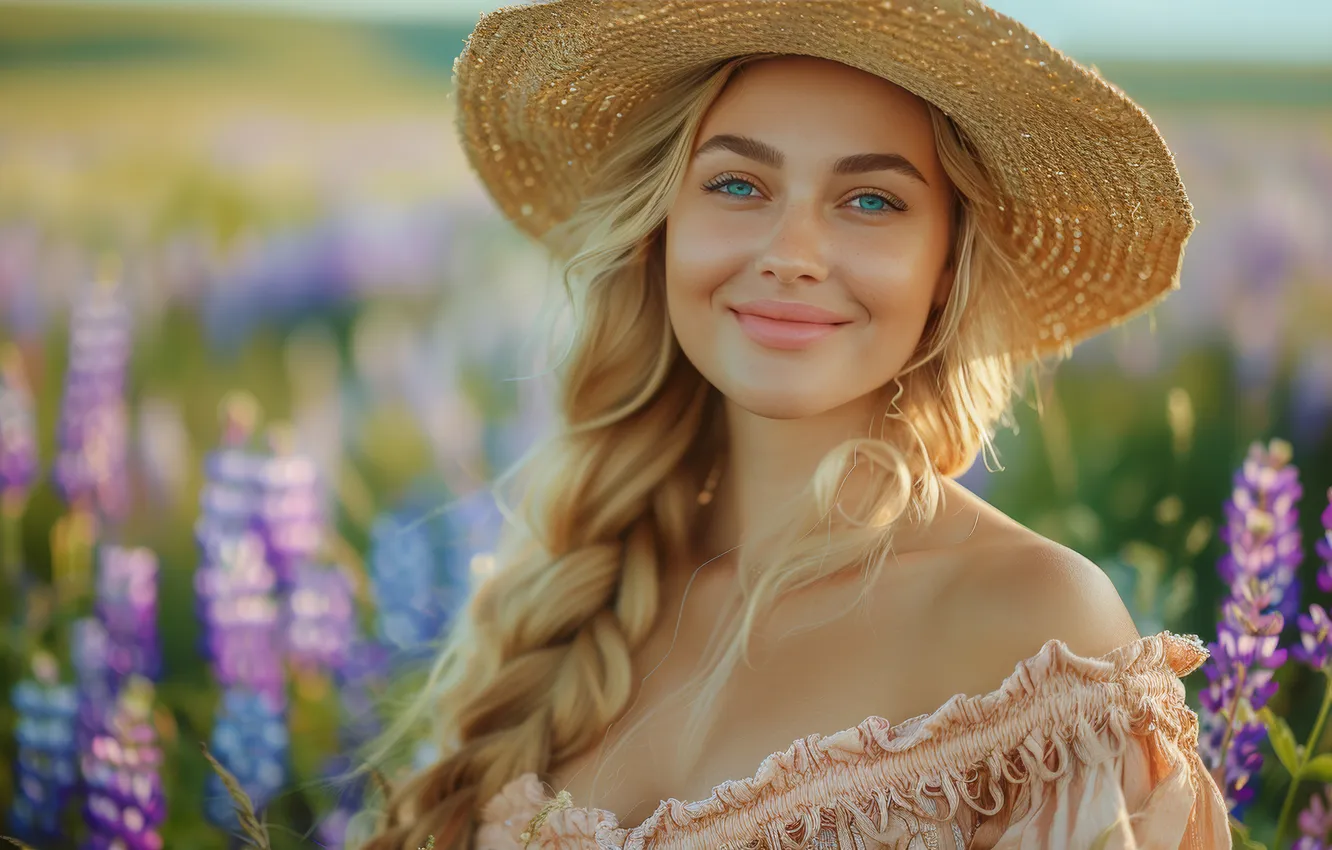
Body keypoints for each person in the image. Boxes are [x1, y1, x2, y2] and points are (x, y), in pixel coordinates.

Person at [354, 2, 1230, 848]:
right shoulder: (588, 589)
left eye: (873, 201)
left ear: (946, 263)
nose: (791, 254)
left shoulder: (1039, 629)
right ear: (660, 228)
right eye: (737, 183)